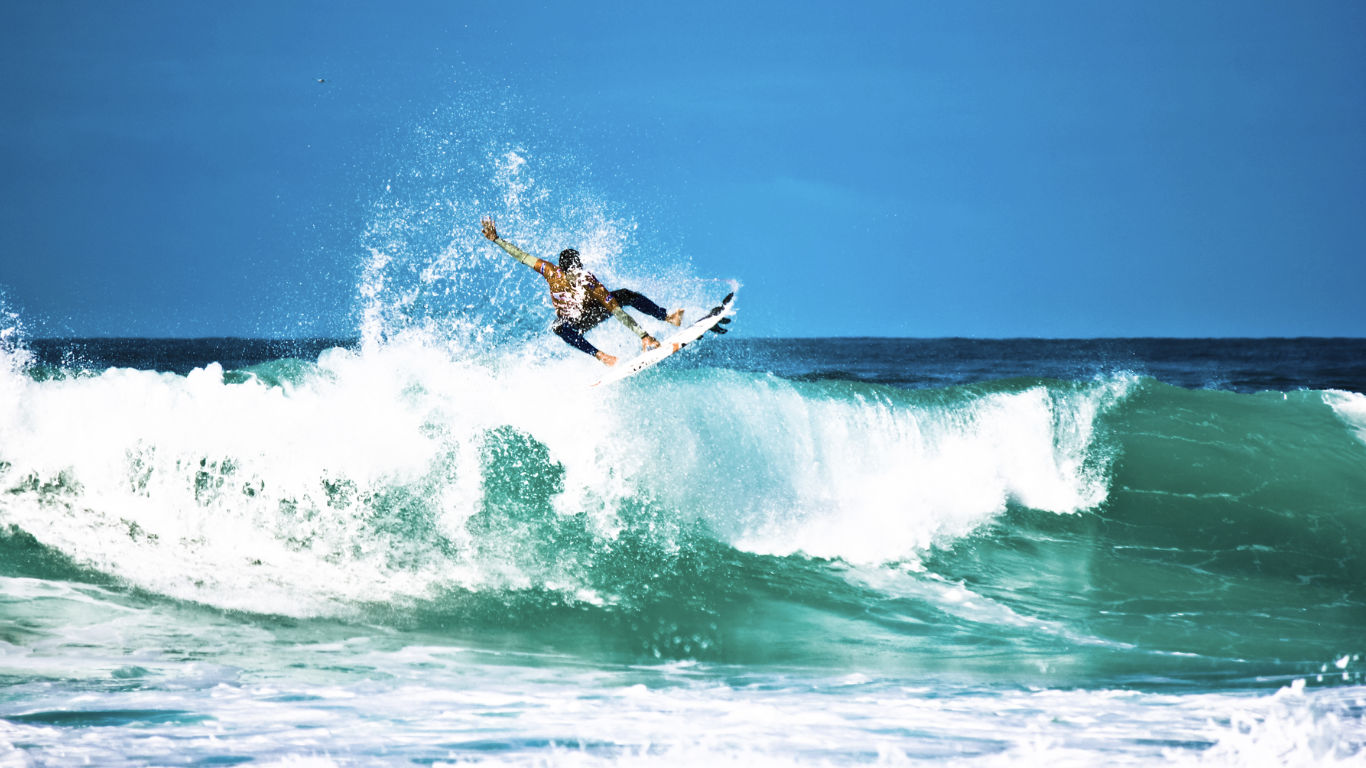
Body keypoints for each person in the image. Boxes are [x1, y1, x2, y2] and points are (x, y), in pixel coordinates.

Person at [481, 217, 683, 366]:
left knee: (625, 294)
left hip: (593, 312)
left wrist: (643, 335)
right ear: (563, 269)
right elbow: (523, 257)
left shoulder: (589, 281)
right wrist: (496, 240)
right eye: (574, 270)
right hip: (575, 321)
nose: (577, 274)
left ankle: (667, 317)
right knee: (557, 326)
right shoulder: (550, 272)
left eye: (579, 269)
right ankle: (601, 356)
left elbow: (616, 310)